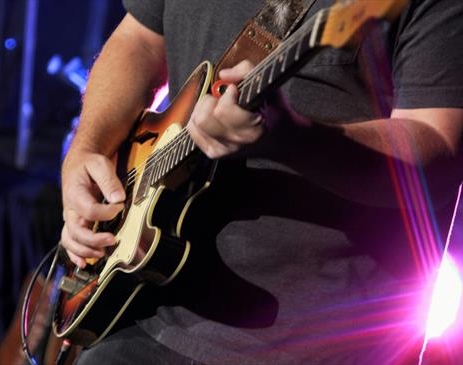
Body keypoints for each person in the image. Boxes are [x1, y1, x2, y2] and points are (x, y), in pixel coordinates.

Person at [60, 0, 463, 364]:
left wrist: (294, 137)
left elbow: (439, 150)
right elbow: (139, 37)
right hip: (141, 311)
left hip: (315, 344)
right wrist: (88, 145)